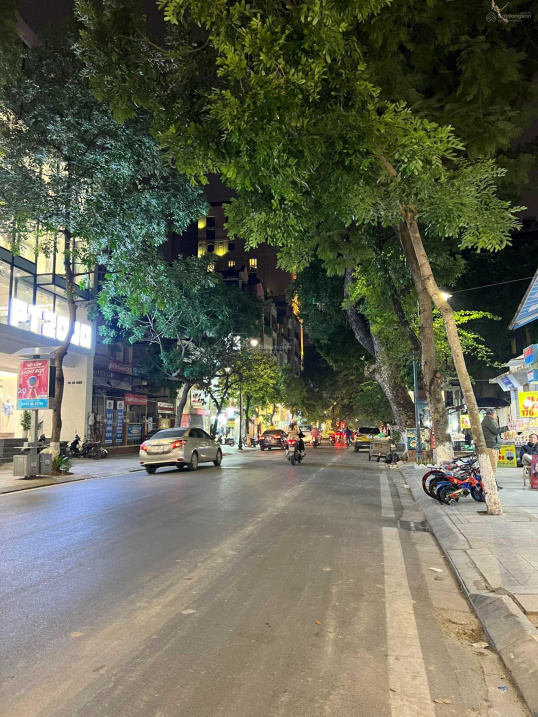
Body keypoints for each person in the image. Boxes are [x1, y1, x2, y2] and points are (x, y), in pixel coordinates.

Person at [481, 408, 508, 476]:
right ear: (492, 414)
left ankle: (492, 480)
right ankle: (491, 481)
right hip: (491, 445)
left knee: (493, 465)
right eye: (495, 414)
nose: (496, 415)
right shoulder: (488, 420)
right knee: (492, 465)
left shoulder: (489, 420)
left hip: (493, 445)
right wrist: (507, 428)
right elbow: (495, 430)